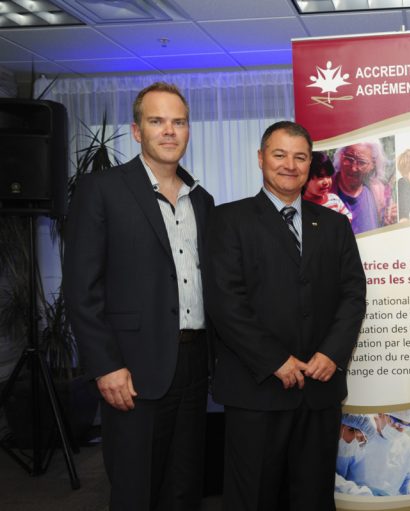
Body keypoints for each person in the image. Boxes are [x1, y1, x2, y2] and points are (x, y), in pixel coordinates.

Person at [63, 82, 214, 510]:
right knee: (136, 489)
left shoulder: (202, 200)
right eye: (157, 121)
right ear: (136, 130)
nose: (169, 131)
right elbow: (81, 289)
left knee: (185, 487)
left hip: (193, 364)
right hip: (132, 370)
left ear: (188, 130)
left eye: (178, 122)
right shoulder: (102, 190)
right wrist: (106, 366)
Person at [203, 121, 367, 511]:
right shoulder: (228, 221)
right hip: (256, 389)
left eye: (300, 157)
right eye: (279, 155)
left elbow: (353, 294)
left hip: (319, 388)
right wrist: (274, 360)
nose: (290, 165)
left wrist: (332, 353)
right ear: (261, 159)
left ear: (310, 164)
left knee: (313, 497)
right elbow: (226, 302)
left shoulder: (334, 225)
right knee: (254, 497)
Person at [347, 410, 410, 496]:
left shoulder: (406, 443)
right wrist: (355, 492)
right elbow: (336, 476)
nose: (401, 430)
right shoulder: (355, 435)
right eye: (397, 424)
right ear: (381, 414)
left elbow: (407, 478)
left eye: (406, 426)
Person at [331, 141, 396, 234]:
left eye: (361, 162)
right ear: (340, 157)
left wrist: (391, 221)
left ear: (373, 165)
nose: (353, 168)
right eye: (349, 159)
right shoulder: (323, 190)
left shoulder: (379, 192)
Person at [304, 151, 352, 222]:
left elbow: (348, 218)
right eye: (320, 177)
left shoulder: (334, 200)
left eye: (329, 176)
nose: (326, 182)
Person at [335, 414, 375, 496]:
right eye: (351, 430)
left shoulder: (353, 453)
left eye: (361, 438)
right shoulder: (315, 442)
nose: (355, 438)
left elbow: (358, 482)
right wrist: (351, 490)